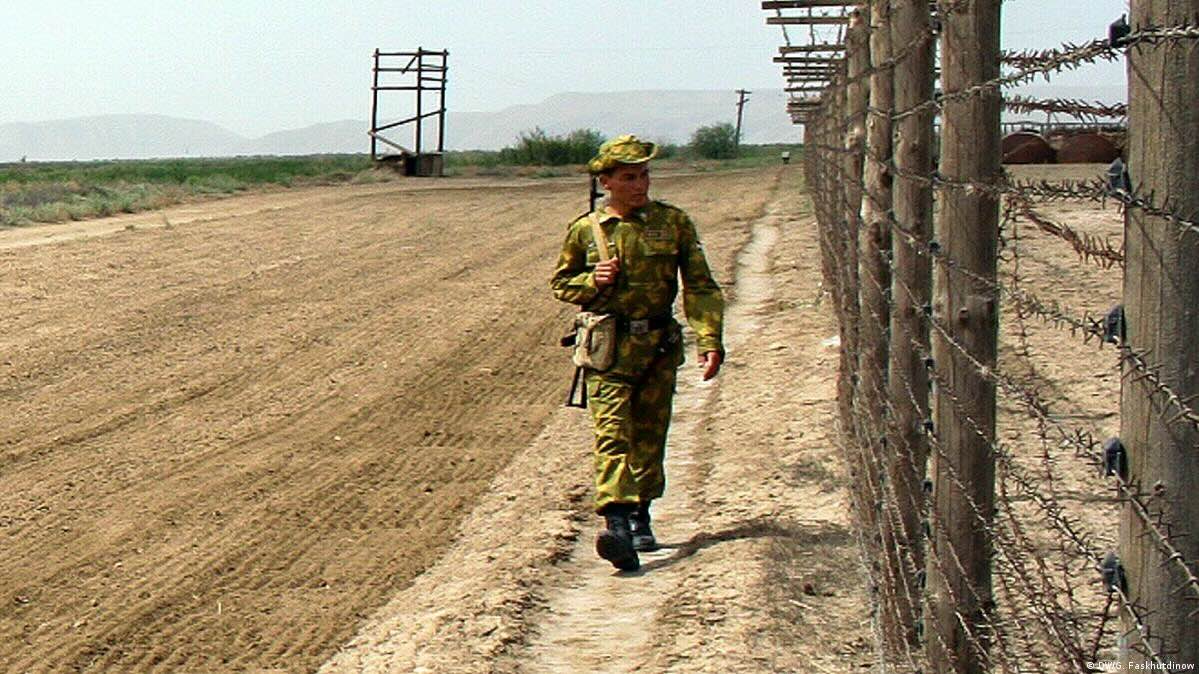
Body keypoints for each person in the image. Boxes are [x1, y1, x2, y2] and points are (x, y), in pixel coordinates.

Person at [550, 134, 725, 571]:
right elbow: (561, 283)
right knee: (611, 435)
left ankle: (640, 513)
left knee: (649, 435)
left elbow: (700, 286)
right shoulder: (586, 230)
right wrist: (592, 281)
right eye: (629, 177)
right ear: (606, 181)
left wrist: (709, 338)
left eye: (644, 175)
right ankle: (616, 524)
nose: (640, 185)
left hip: (657, 349)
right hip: (608, 351)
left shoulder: (673, 223)